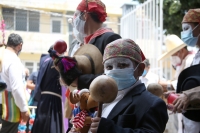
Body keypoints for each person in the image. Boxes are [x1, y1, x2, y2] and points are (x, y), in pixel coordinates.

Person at [90, 38, 168, 133]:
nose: (114, 71)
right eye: (109, 67)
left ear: (140, 69)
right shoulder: (101, 98)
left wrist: (109, 129)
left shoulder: (152, 104)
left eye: (122, 65)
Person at [71, 0, 121, 89]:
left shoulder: (110, 38)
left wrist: (80, 80)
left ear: (85, 16)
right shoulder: (87, 42)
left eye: (76, 15)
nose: (73, 19)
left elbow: (115, 75)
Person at [168, 9, 200, 133]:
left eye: (187, 28)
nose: (184, 33)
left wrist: (189, 96)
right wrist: (181, 99)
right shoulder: (197, 56)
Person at [31, 43, 67, 133]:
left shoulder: (44, 61)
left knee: (41, 127)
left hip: (43, 99)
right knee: (52, 127)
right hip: (54, 100)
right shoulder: (59, 61)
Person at [0, 33, 29, 133]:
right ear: (20, 45)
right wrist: (24, 109)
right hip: (11, 108)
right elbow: (16, 88)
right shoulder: (13, 60)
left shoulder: (2, 55)